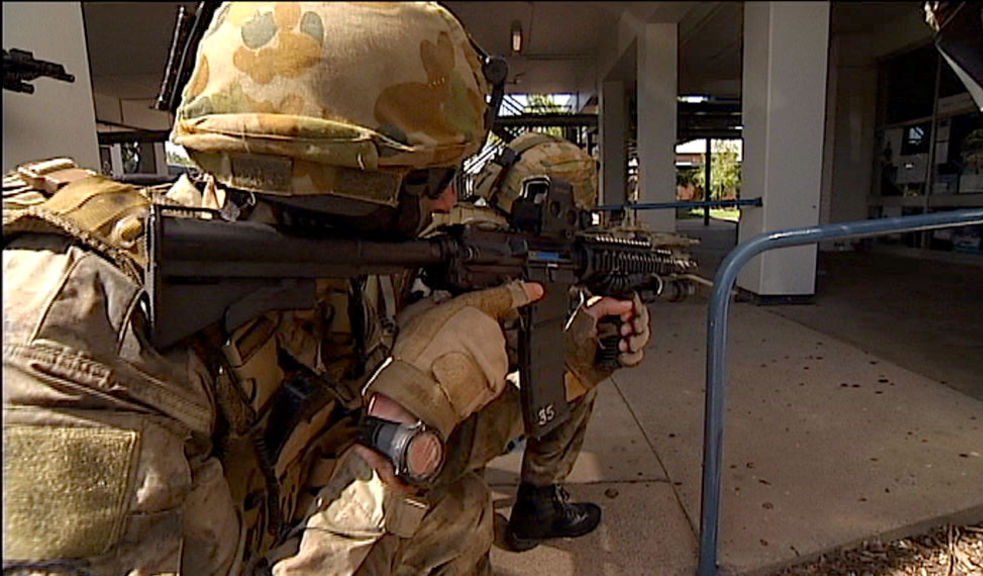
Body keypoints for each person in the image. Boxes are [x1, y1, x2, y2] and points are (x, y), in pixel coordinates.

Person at [1, 3, 649, 575]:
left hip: (276, 533)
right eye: (429, 176)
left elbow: (406, 463)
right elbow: (375, 475)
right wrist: (395, 445)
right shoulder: (81, 334)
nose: (452, 198)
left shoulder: (337, 262)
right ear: (327, 172)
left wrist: (570, 366)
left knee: (451, 513)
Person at [466, 131, 647, 551]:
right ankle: (538, 500)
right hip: (424, 450)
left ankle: (537, 504)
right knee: (574, 369)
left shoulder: (476, 233)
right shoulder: (481, 256)